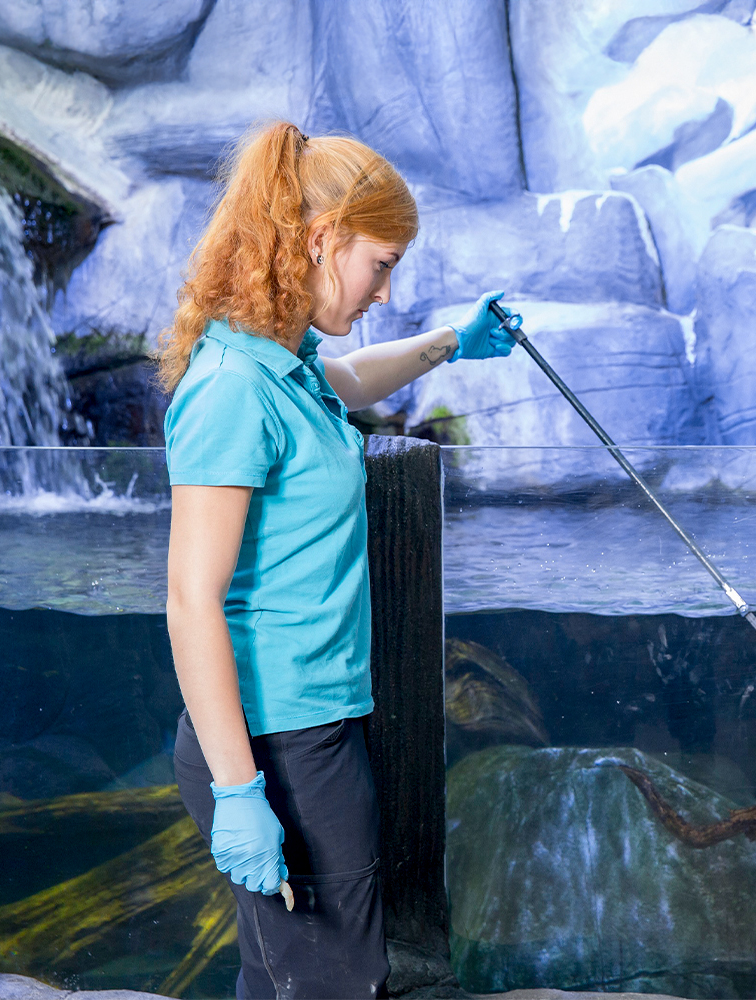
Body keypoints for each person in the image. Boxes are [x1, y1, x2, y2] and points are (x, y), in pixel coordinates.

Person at [156, 121, 518, 999]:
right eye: (381, 264)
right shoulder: (232, 389)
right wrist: (242, 791)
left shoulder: (285, 362)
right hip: (275, 745)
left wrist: (448, 344)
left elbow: (349, 382)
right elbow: (189, 599)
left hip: (314, 727)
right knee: (327, 984)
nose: (385, 292)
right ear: (323, 241)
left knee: (301, 976)